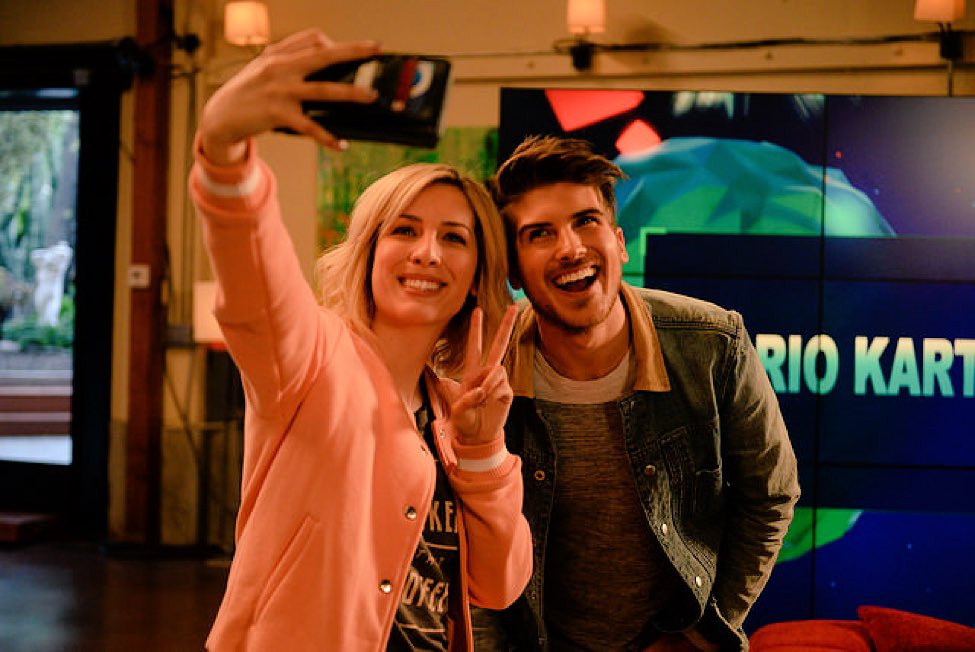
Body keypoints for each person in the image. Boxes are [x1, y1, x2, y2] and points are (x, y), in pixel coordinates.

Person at [189, 29, 532, 651]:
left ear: (474, 277)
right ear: (371, 252)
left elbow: (500, 585)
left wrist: (482, 449)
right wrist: (224, 152)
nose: (427, 253)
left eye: (454, 238)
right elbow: (255, 282)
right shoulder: (311, 358)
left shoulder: (453, 412)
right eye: (404, 230)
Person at [474, 135, 801, 651]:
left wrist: (701, 637)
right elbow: (469, 544)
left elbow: (771, 495)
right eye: (540, 233)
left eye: (586, 221)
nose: (570, 248)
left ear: (620, 242)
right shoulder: (482, 369)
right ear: (513, 269)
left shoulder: (713, 343)